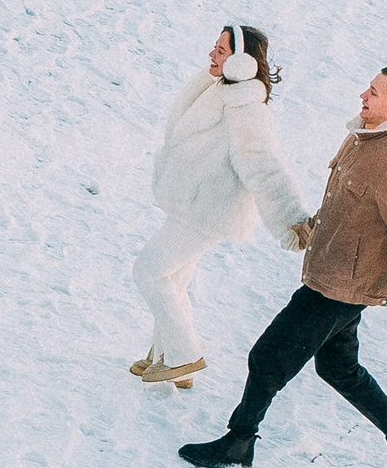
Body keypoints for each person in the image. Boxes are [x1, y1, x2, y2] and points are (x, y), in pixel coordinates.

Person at [179, 65, 387, 468]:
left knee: (266, 358)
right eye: (367, 87)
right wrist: (309, 228)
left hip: (341, 287)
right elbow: (348, 208)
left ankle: (238, 442)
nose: (363, 95)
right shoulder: (362, 139)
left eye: (373, 91)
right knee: (338, 366)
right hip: (334, 275)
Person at [128, 25, 313, 387]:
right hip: (192, 201)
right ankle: (167, 356)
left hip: (208, 209)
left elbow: (262, 162)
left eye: (221, 50)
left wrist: (290, 219)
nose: (212, 55)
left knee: (149, 271)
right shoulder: (221, 90)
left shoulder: (245, 107)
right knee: (174, 278)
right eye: (214, 47)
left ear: (243, 62)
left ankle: (184, 356)